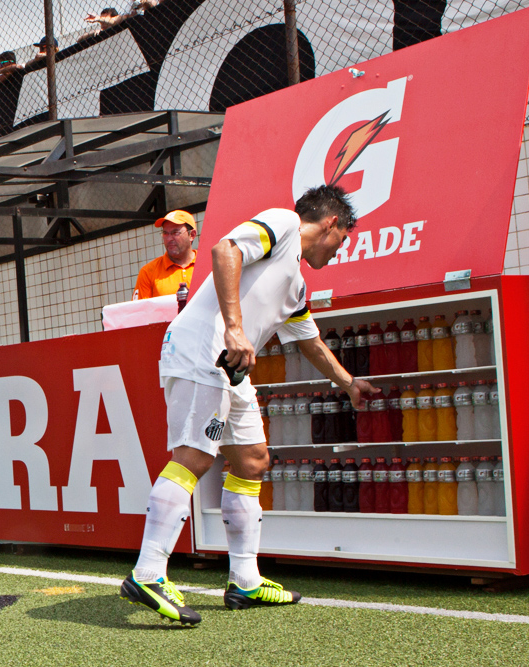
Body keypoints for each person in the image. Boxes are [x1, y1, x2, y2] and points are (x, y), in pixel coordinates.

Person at [119, 185, 378, 625]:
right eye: (344, 238)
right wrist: (236, 329)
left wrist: (349, 383)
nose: (339, 250)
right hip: (203, 351)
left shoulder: (295, 283)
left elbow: (310, 342)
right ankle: (147, 572)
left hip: (230, 369)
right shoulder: (284, 223)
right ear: (332, 223)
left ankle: (244, 580)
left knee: (253, 460)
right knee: (195, 458)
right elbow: (224, 250)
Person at [132, 209, 198, 300]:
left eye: (175, 233)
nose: (169, 238)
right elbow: (139, 311)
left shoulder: (209, 265)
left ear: (192, 235)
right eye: (165, 233)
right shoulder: (148, 272)